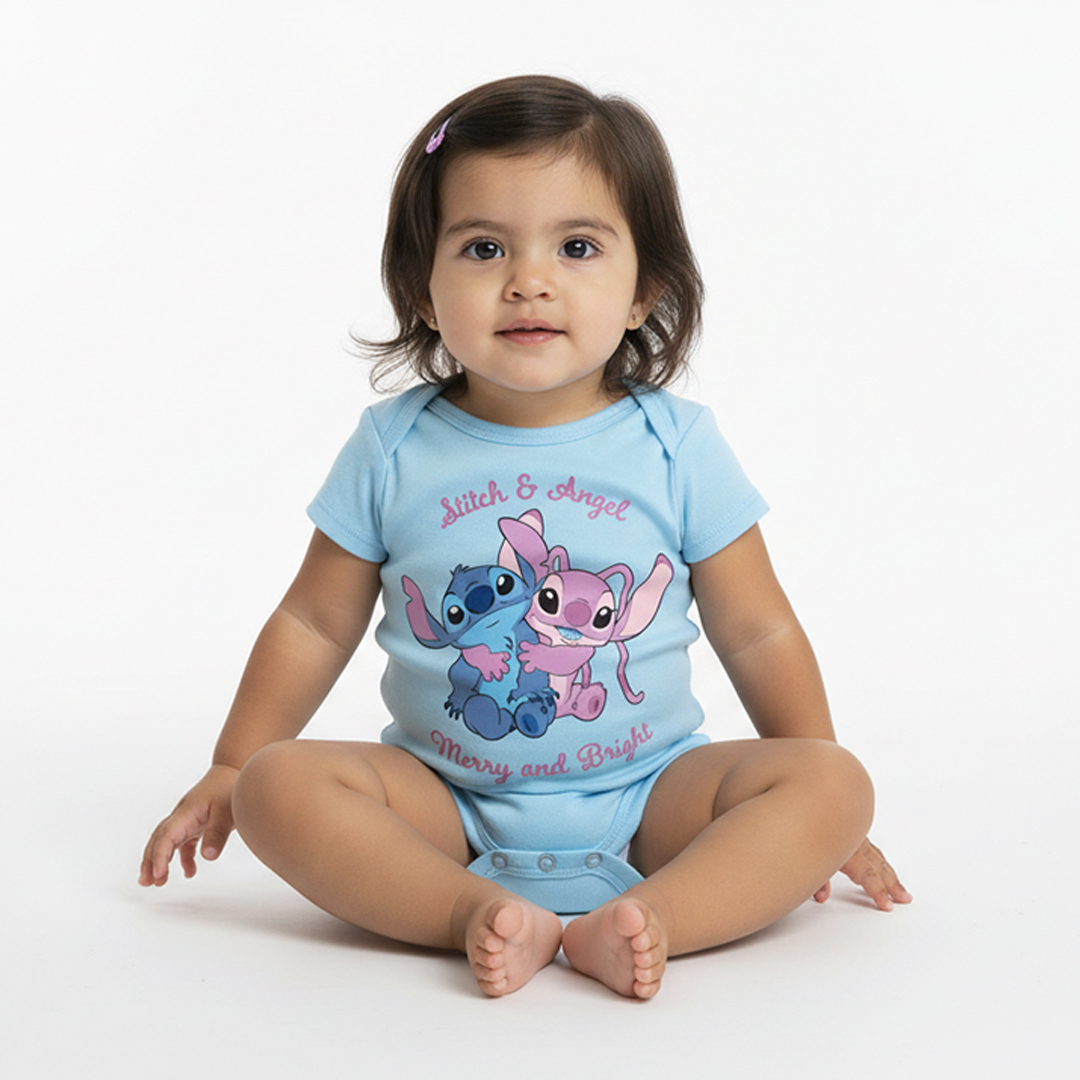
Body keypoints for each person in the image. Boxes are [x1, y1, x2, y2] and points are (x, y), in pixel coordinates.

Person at [139, 75, 910, 1000]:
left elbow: (758, 630)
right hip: (442, 806)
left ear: (644, 290)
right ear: (422, 291)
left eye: (577, 247)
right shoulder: (392, 447)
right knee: (275, 787)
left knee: (835, 781)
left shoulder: (678, 445)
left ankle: (656, 916)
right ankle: (470, 910)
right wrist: (231, 762)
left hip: (651, 801)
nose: (528, 280)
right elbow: (312, 622)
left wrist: (819, 815)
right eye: (483, 248)